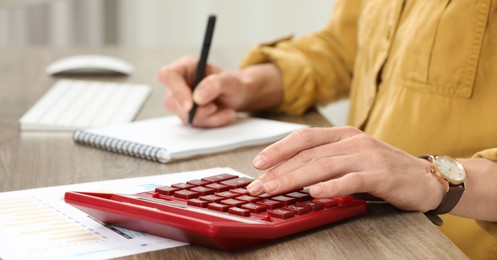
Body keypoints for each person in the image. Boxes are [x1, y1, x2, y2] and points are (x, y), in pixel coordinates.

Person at [158, 0, 497, 258]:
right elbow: (346, 49)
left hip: (454, 244)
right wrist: (246, 85)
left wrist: (435, 179)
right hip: (363, 229)